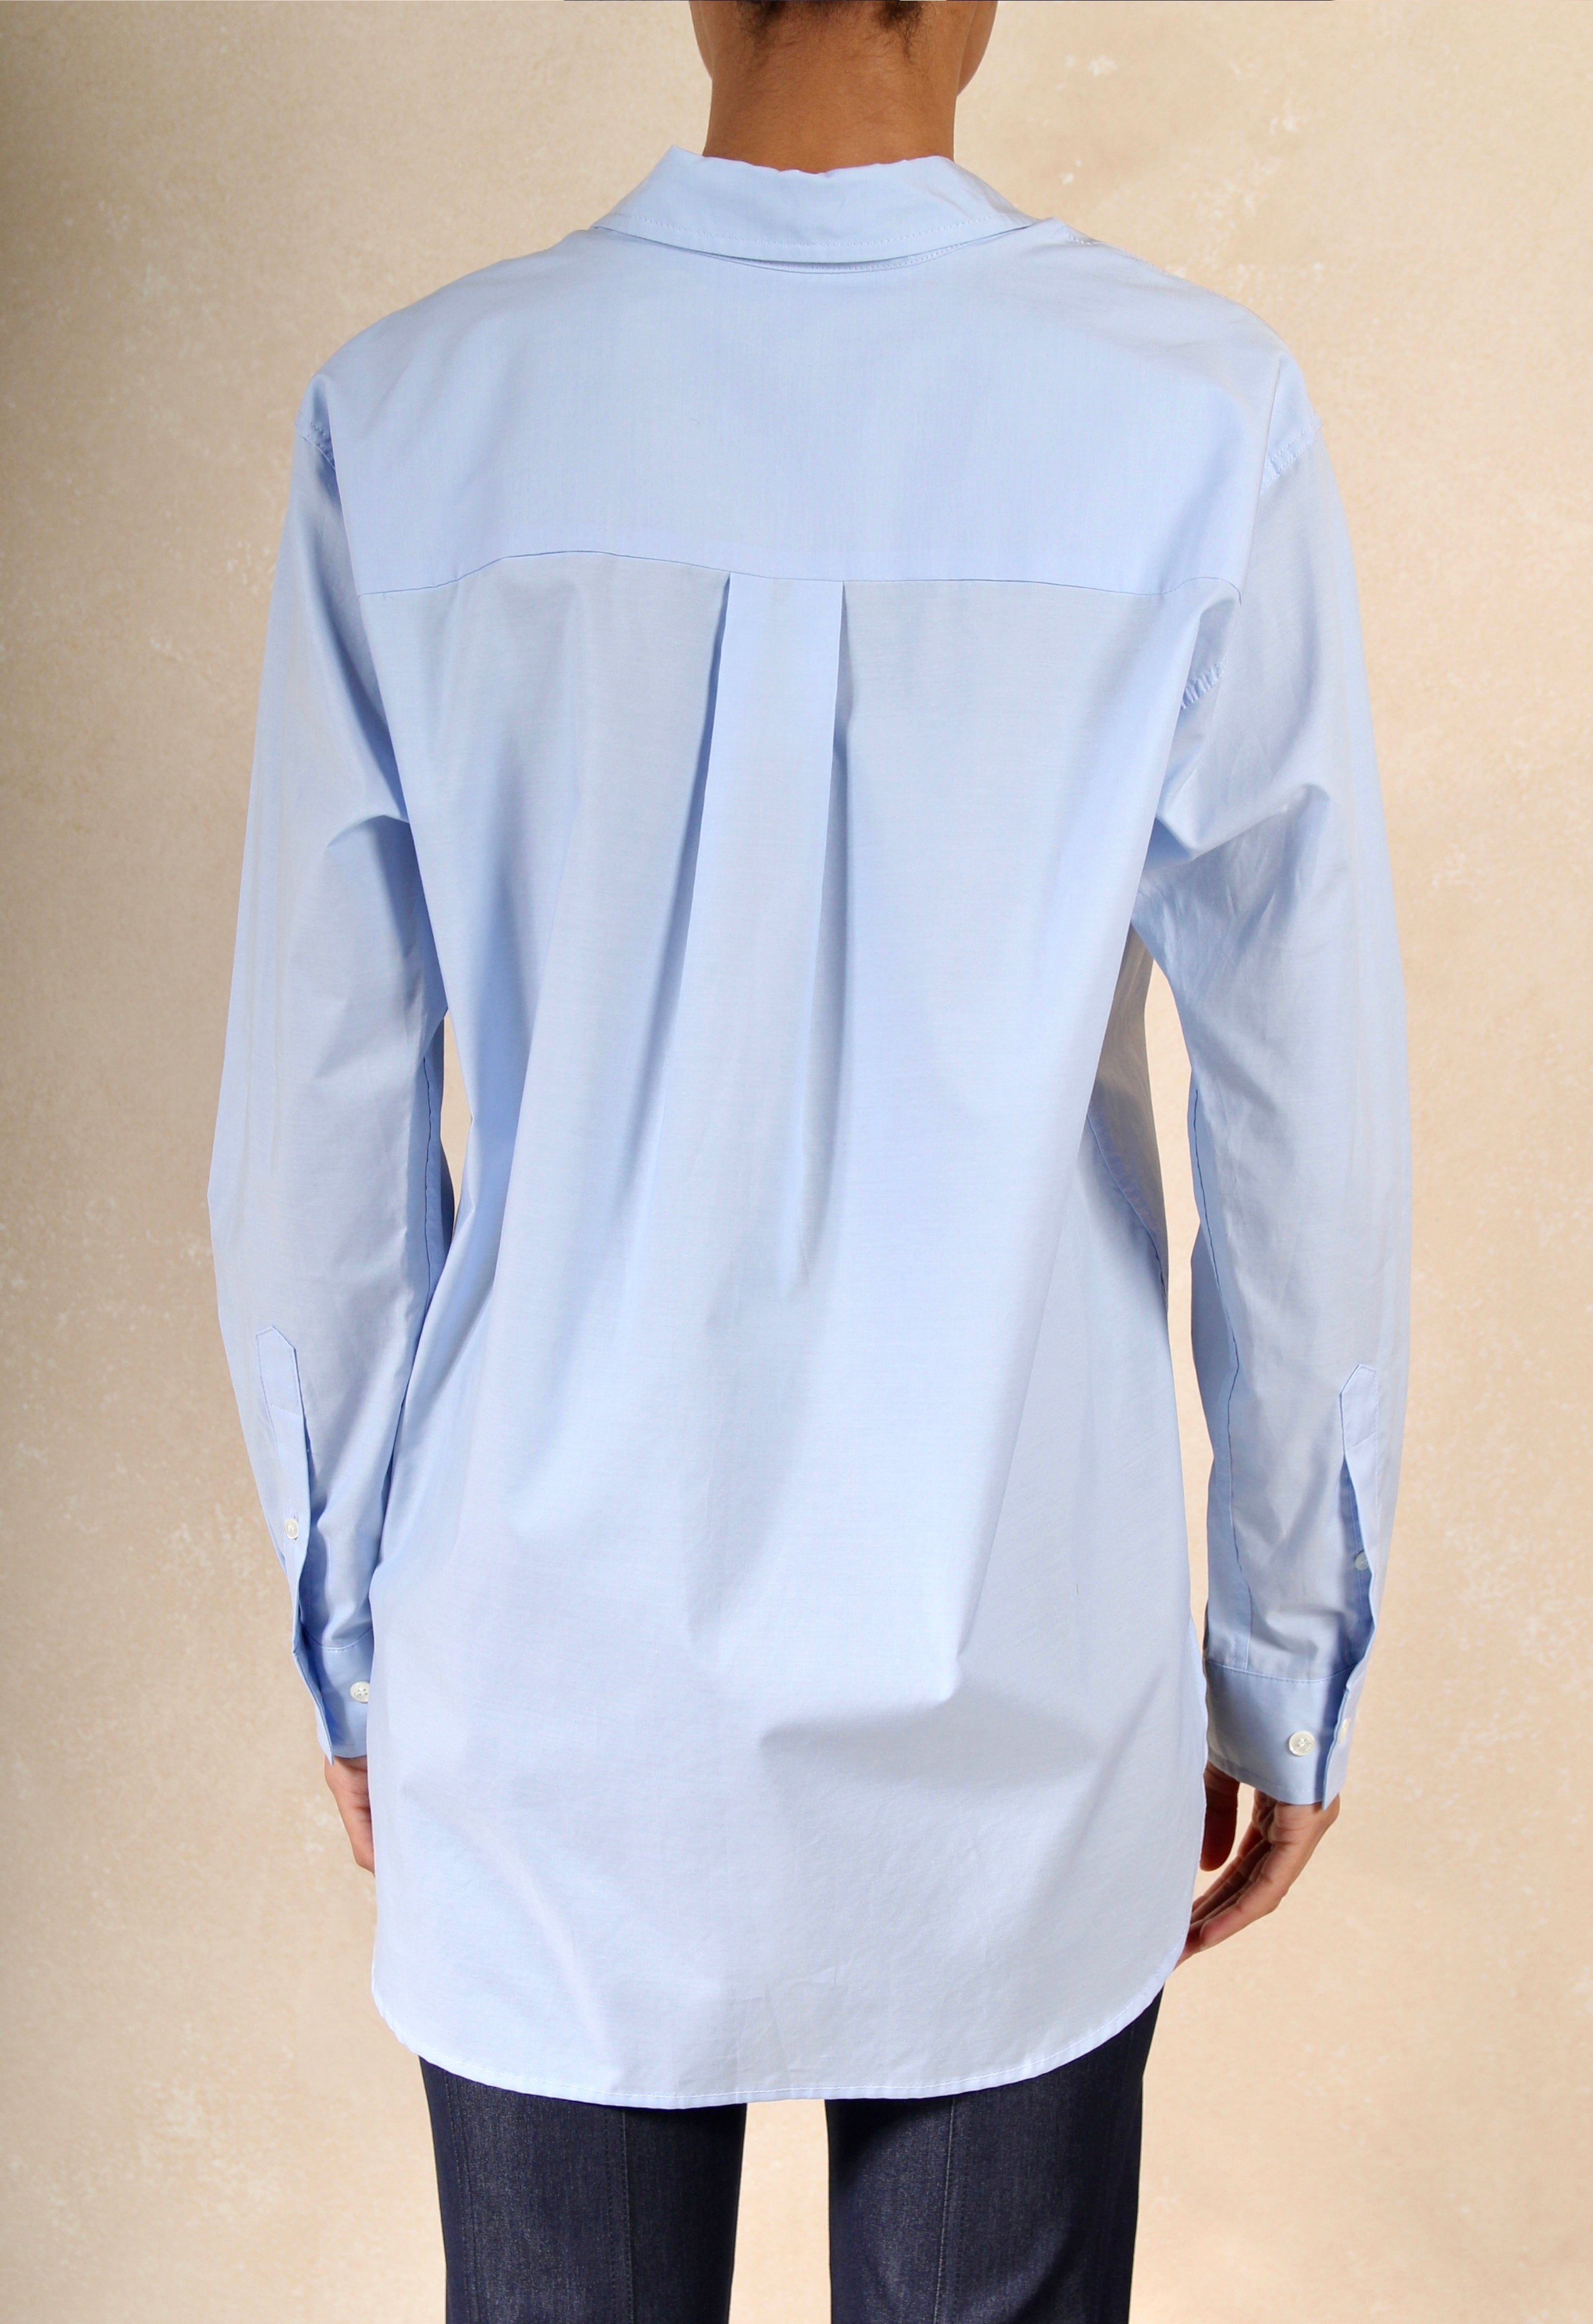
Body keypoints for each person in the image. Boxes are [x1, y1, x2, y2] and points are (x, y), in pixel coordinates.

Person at [207, 1, 1410, 2315]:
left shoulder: (419, 411)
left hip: (545, 1687)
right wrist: (1287, 1652)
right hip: (1016, 1687)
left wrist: (357, 1635)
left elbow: (315, 1132)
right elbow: (1304, 1117)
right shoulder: (1191, 414)